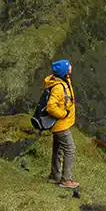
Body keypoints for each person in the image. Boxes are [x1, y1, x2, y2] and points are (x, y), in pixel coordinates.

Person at [33, 58, 78, 188]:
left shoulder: (63, 80)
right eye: (68, 66)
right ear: (64, 72)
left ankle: (55, 175)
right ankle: (66, 180)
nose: (71, 67)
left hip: (62, 124)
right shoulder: (58, 87)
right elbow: (50, 107)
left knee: (58, 149)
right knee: (70, 149)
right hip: (61, 125)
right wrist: (63, 114)